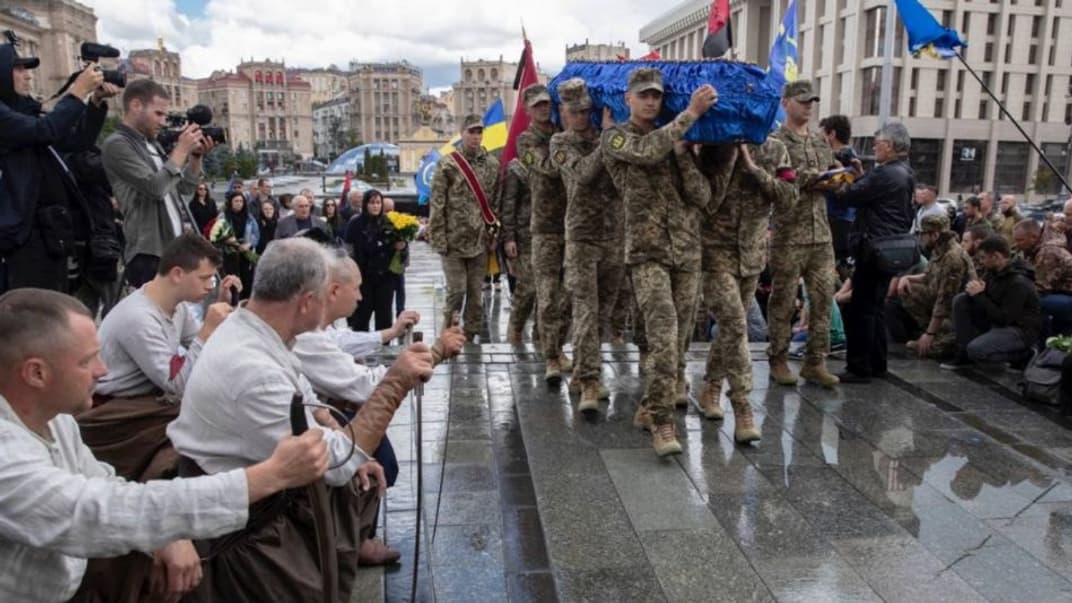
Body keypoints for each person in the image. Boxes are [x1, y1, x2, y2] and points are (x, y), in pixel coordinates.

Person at [0, 287, 330, 603]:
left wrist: (166, 534)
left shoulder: (55, 416)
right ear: (36, 374)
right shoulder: (6, 456)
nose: (103, 370)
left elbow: (100, 481)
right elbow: (91, 511)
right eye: (87, 361)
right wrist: (267, 477)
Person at [168, 238, 434, 601]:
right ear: (307, 301)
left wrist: (342, 437)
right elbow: (337, 462)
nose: (330, 306)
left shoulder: (257, 332)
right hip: (244, 534)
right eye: (326, 295)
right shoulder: (252, 367)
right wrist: (395, 382)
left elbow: (306, 401)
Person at [293, 254, 464, 565]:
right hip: (302, 440)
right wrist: (435, 353)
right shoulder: (303, 336)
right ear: (330, 291)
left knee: (376, 458)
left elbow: (340, 342)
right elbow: (366, 385)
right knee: (374, 461)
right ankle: (352, 539)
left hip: (321, 415)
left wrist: (390, 333)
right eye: (356, 289)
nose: (360, 296)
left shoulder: (312, 329)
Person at [602, 67, 716, 456]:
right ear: (627, 99)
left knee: (678, 339)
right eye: (644, 95)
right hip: (646, 253)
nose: (651, 102)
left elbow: (702, 196)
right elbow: (648, 152)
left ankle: (650, 405)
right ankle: (663, 422)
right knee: (664, 332)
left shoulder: (676, 140)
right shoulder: (615, 136)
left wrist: (685, 157)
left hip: (686, 252)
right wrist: (691, 115)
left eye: (657, 96)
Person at [697, 135, 796, 443]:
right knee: (735, 323)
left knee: (730, 327)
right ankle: (742, 405)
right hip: (715, 252)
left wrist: (754, 169)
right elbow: (704, 199)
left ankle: (711, 385)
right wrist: (728, 158)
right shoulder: (710, 143)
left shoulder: (775, 148)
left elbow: (789, 196)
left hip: (751, 255)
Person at [1, 39, 114, 294]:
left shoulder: (26, 111)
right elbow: (45, 130)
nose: (28, 77)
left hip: (49, 233)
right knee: (31, 316)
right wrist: (76, 92)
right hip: (21, 237)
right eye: (18, 69)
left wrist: (94, 102)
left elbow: (76, 141)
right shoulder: (6, 117)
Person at [550, 78, 622, 411]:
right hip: (580, 238)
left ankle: (581, 370)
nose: (581, 117)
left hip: (613, 236)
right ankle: (591, 383)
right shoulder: (559, 143)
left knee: (602, 315)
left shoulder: (605, 136)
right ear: (564, 111)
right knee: (585, 311)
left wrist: (609, 136)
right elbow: (584, 174)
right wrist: (608, 138)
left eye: (586, 111)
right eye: (575, 112)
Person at [103, 80, 216, 289]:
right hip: (148, 252)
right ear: (136, 105)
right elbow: (154, 188)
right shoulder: (118, 144)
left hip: (172, 249)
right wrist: (181, 149)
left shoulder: (152, 144)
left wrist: (195, 157)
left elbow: (184, 189)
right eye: (158, 114)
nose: (164, 122)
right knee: (156, 317)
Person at [767, 80, 840, 387]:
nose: (808, 106)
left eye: (811, 101)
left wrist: (838, 178)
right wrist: (812, 177)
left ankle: (815, 361)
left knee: (823, 300)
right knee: (783, 300)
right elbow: (778, 180)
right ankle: (779, 358)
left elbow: (829, 174)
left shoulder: (821, 142)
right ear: (786, 103)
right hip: (789, 233)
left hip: (821, 234)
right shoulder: (775, 141)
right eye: (802, 101)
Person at [832, 122, 916, 383]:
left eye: (877, 143)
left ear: (889, 146)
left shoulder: (887, 174)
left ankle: (859, 367)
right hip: (888, 249)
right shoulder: (904, 172)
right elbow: (869, 192)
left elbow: (850, 196)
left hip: (873, 249)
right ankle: (877, 363)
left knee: (861, 310)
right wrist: (860, 174)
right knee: (876, 309)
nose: (874, 147)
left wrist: (837, 176)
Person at [516, 84, 573, 380]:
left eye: (547, 104)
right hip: (545, 228)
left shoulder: (561, 131)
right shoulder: (525, 141)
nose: (543, 109)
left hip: (572, 225)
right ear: (527, 109)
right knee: (548, 295)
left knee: (568, 296)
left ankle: (558, 346)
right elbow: (549, 167)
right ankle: (550, 354)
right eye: (537, 105)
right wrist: (567, 141)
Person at [427, 114, 500, 340]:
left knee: (476, 296)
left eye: (479, 132)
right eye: (471, 132)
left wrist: (494, 234)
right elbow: (437, 203)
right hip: (453, 241)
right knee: (456, 293)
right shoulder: (448, 164)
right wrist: (438, 238)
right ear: (462, 133)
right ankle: (447, 337)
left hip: (479, 240)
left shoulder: (492, 164)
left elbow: (494, 201)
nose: (476, 137)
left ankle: (469, 338)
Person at [942, 235, 1040, 369]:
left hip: (1018, 329)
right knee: (962, 300)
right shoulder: (993, 272)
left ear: (996, 257)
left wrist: (980, 295)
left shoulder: (1018, 282)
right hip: (996, 321)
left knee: (976, 350)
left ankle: (1023, 355)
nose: (981, 262)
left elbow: (1004, 318)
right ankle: (963, 352)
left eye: (983, 257)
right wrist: (975, 290)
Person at [885, 215, 976, 359]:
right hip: (939, 303)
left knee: (933, 350)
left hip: (956, 315)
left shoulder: (953, 257)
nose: (920, 238)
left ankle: (935, 334)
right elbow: (929, 275)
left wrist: (930, 334)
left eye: (923, 234)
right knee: (908, 289)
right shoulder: (939, 248)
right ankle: (928, 330)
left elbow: (945, 300)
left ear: (934, 235)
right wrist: (907, 278)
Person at [345, 189, 404, 331]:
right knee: (362, 315)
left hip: (385, 276)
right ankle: (361, 345)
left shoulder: (389, 223)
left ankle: (384, 345)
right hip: (363, 276)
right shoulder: (355, 223)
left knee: (384, 315)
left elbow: (401, 253)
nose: (375, 206)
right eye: (372, 203)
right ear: (365, 204)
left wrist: (400, 247)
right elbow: (348, 249)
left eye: (378, 203)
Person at [1012, 218, 1072, 336]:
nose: (1017, 244)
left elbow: (1041, 287)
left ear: (1033, 237)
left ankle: (1040, 340)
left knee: (1034, 302)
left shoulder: (1047, 252)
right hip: (1062, 292)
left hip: (1068, 296)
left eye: (1020, 240)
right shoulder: (1036, 248)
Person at [500, 157, 537, 343]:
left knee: (550, 291)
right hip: (525, 236)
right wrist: (509, 237)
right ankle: (515, 327)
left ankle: (542, 335)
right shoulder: (517, 168)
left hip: (552, 233)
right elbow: (508, 205)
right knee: (527, 287)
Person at [818, 114, 855, 263]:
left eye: (821, 133)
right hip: (843, 221)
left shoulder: (845, 159)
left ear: (831, 134)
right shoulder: (849, 157)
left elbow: (840, 187)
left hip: (837, 223)